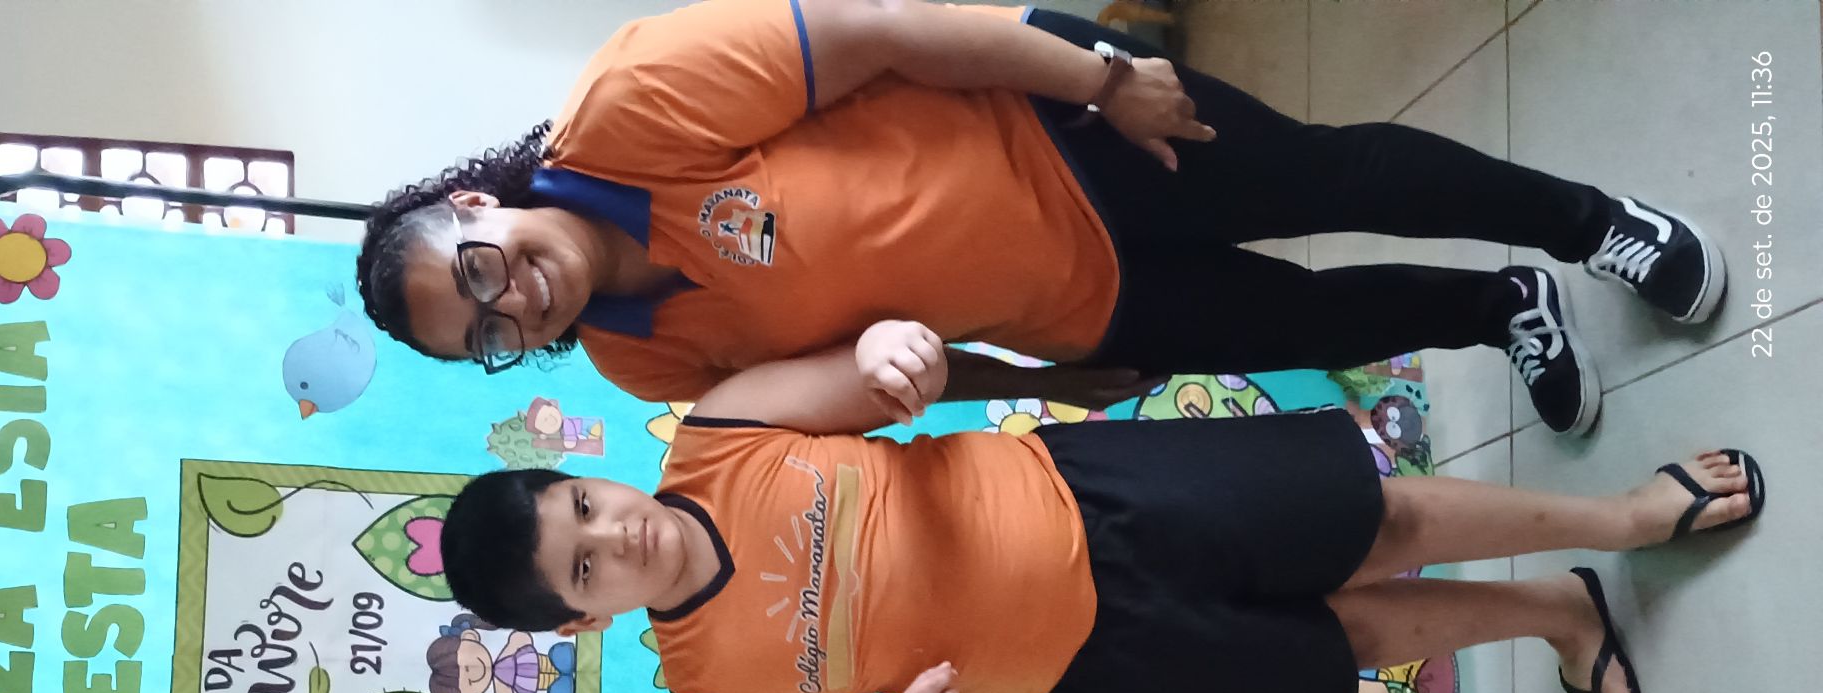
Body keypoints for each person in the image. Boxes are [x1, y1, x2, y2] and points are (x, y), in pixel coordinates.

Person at [357, 0, 1724, 435]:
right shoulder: (636, 357)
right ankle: (1502, 309)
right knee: (1304, 324)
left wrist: (1105, 79)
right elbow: (865, 376)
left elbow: (882, 30)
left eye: (475, 271)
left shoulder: (628, 104)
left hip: (1065, 131)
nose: (509, 303)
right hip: (1071, 304)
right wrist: (1039, 381)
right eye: (484, 335)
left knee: (1331, 178)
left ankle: (1588, 225)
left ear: (474, 203)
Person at [436, 319, 1763, 693]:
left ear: (589, 479)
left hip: (1099, 494)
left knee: (1381, 516)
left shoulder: (719, 433)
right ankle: (1558, 615)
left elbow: (873, 371)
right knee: (1338, 645)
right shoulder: (706, 686)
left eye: (585, 508)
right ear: (587, 619)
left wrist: (893, 354)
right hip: (1090, 663)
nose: (619, 535)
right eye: (586, 567)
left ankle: (1624, 516)